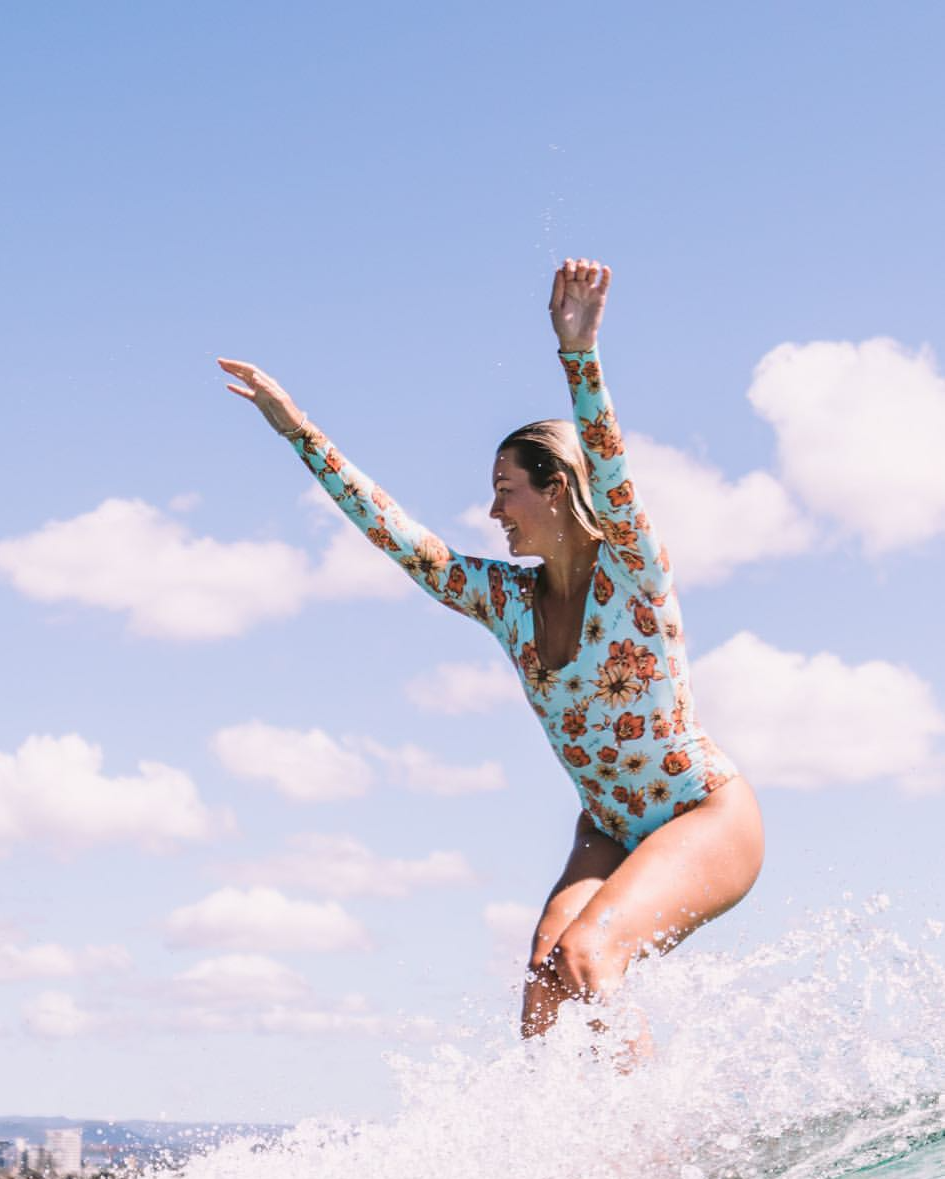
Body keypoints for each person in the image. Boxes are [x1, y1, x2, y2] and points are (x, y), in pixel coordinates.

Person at [219, 258, 764, 1040]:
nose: (492, 508)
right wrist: (300, 432)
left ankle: (654, 1144)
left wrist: (579, 353)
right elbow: (402, 541)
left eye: (507, 488)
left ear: (557, 489)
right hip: (607, 826)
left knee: (587, 958)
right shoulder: (507, 601)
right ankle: (559, 1153)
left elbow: (612, 469)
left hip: (704, 815)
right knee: (545, 984)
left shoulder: (631, 569)